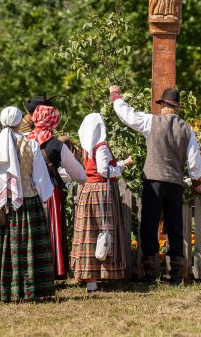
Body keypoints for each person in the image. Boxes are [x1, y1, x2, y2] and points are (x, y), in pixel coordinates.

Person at [111, 85, 201, 284]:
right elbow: (194, 162)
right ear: (177, 108)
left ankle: (149, 274)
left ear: (163, 105)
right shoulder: (187, 129)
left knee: (149, 225)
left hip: (153, 180)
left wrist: (116, 96)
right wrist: (197, 182)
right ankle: (176, 274)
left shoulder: (151, 122)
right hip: (175, 183)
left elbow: (128, 115)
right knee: (175, 226)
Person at [0, 106, 56, 302]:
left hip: (1, 205)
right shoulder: (31, 145)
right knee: (28, 249)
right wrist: (44, 197)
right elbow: (40, 178)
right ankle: (29, 290)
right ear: (20, 123)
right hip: (28, 203)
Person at [70, 113, 133, 292]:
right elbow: (104, 170)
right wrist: (122, 166)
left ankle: (91, 280)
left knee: (89, 233)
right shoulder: (102, 146)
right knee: (103, 230)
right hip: (101, 192)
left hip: (88, 189)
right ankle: (100, 276)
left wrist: (120, 162)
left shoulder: (87, 147)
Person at [26, 102, 87, 280]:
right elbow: (80, 176)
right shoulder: (56, 145)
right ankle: (52, 271)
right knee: (51, 231)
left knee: (32, 231)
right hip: (51, 192)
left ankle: (32, 271)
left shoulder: (23, 140)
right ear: (53, 122)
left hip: (28, 192)